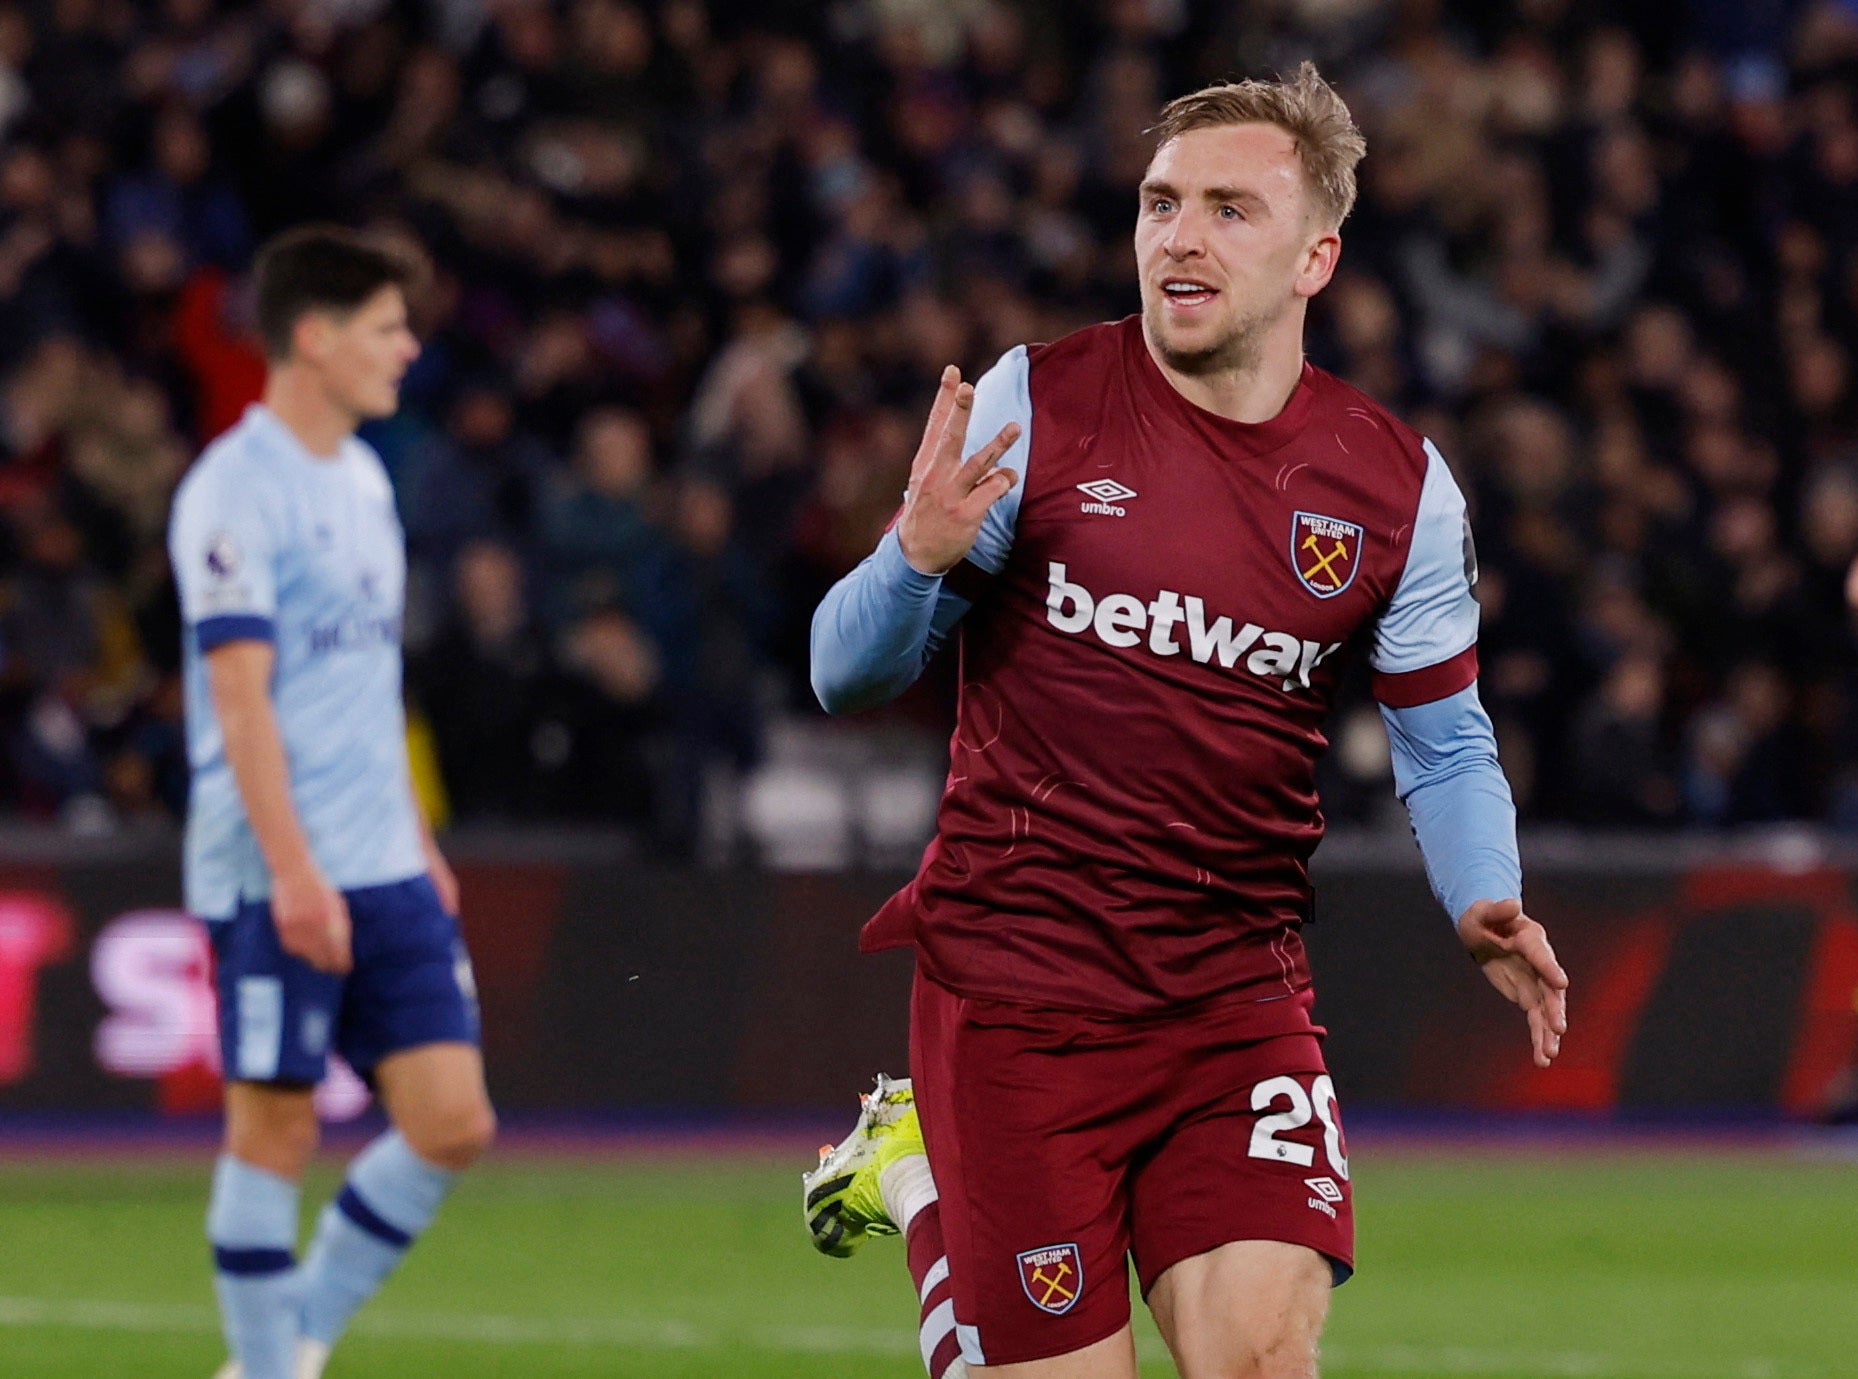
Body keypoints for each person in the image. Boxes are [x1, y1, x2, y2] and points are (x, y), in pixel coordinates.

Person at [801, 65, 1569, 1379]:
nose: (1180, 236)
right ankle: (921, 1178)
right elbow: (841, 671)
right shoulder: (1036, 403)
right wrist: (913, 562)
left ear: (1314, 254)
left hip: (1230, 995)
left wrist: (1481, 895)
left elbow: (1443, 739)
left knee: (1264, 1358)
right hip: (1016, 994)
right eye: (1160, 204)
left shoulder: (1396, 488)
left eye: (1228, 208)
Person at [168, 226, 496, 1379]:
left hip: (385, 860)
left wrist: (414, 829)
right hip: (273, 867)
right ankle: (269, 1368)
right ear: (312, 337)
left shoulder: (363, 476)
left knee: (454, 1119)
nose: (409, 347)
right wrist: (295, 869)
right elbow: (241, 702)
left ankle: (287, 1342)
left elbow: (368, 682)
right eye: (385, 326)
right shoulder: (229, 493)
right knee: (275, 1127)